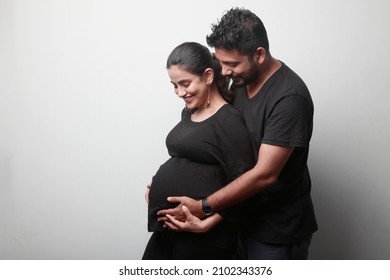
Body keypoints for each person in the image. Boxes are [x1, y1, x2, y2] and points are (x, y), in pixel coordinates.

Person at [158, 8, 318, 260]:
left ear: (259, 54)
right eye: (220, 62)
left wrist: (204, 207)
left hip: (275, 232)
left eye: (231, 64)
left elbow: (264, 174)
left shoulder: (289, 98)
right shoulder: (241, 81)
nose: (223, 72)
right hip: (240, 219)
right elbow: (226, 149)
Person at [142, 42, 255, 260]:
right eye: (174, 85)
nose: (179, 92)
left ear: (208, 76)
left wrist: (205, 224)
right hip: (170, 228)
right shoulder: (189, 111)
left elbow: (245, 187)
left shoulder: (229, 122)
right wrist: (158, 183)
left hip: (206, 235)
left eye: (185, 83)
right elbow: (185, 157)